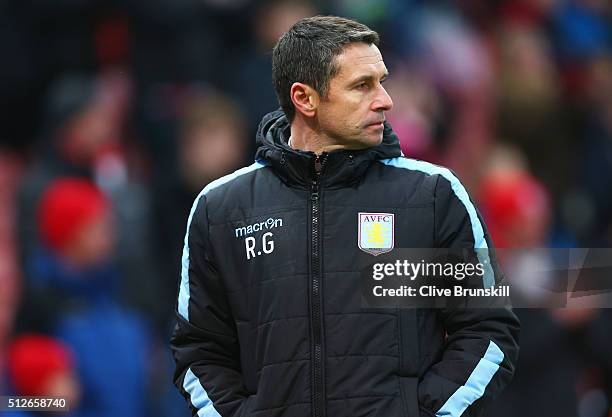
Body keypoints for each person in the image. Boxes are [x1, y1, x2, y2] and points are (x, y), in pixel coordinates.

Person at [171, 16, 520, 417]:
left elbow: (487, 330)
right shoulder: (222, 209)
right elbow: (200, 350)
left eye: (382, 80)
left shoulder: (432, 196)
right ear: (305, 99)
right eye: (362, 85)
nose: (385, 99)